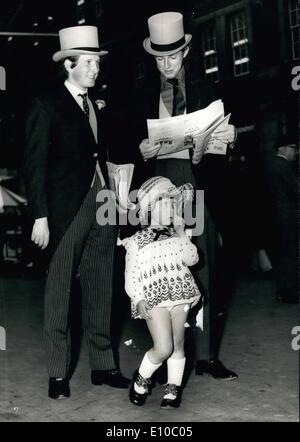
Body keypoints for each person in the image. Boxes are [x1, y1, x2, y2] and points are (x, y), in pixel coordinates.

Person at [23, 25, 130, 400]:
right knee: (59, 291)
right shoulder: (46, 104)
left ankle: (103, 366)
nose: (96, 69)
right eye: (88, 63)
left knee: (103, 284)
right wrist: (40, 215)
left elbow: (99, 155)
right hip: (66, 210)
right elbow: (34, 165)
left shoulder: (96, 104)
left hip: (102, 202)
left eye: (97, 63)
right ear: (68, 64)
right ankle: (57, 373)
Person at [135, 12, 238, 380]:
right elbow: (125, 141)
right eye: (160, 59)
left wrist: (216, 143)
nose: (166, 65)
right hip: (160, 185)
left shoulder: (207, 89)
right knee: (161, 269)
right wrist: (141, 149)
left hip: (195, 183)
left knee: (203, 266)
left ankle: (207, 356)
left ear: (185, 52)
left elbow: (223, 140)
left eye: (173, 57)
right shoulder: (142, 93)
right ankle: (167, 353)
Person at [123, 176, 201, 408]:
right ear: (150, 208)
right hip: (153, 298)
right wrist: (137, 299)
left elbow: (192, 258)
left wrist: (181, 233)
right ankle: (142, 378)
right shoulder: (136, 241)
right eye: (165, 203)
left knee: (178, 344)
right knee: (163, 346)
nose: (171, 207)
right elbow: (131, 275)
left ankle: (173, 389)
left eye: (173, 202)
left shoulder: (179, 234)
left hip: (180, 295)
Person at [265, 135, 299, 304]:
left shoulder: (271, 164)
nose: (296, 152)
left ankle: (283, 291)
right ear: (283, 148)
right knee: (290, 255)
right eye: (294, 148)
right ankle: (288, 292)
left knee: (284, 255)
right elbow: (297, 190)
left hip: (277, 218)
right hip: (288, 219)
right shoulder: (283, 166)